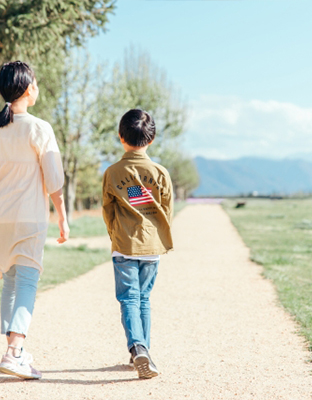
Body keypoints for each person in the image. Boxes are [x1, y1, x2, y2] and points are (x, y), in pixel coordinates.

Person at [0, 61, 69, 380]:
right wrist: (63, 219)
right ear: (29, 90)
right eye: (36, 83)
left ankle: (15, 349)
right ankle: (14, 352)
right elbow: (54, 180)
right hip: (28, 218)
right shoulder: (40, 128)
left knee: (10, 282)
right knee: (26, 281)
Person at [102, 109, 174, 379]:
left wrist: (114, 235)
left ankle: (138, 348)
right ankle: (144, 353)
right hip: (151, 246)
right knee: (144, 299)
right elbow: (167, 210)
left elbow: (107, 209)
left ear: (120, 136)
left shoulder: (112, 172)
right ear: (151, 139)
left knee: (129, 298)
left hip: (124, 244)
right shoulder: (160, 172)